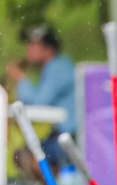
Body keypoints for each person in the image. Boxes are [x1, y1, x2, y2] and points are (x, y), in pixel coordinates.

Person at [5, 24, 76, 168]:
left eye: (33, 45)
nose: (28, 49)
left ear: (49, 49)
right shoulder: (56, 67)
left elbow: (38, 101)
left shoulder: (58, 68)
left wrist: (20, 78)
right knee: (28, 152)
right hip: (67, 136)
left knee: (25, 155)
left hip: (72, 138)